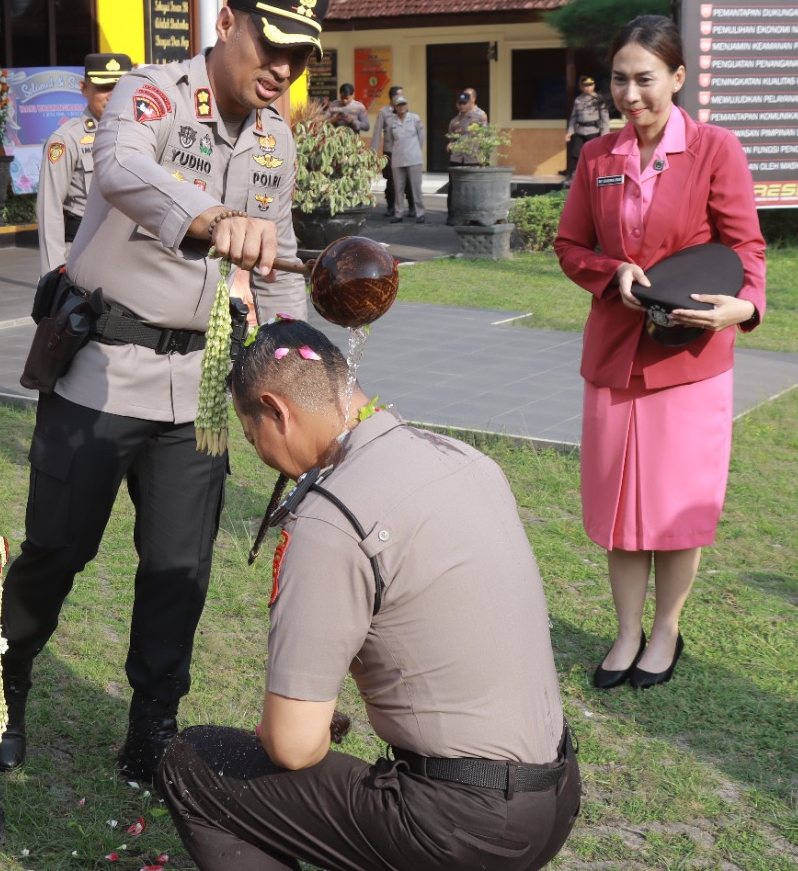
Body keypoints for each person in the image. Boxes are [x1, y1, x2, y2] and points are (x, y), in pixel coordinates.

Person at [0, 0, 323, 782]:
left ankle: (152, 724)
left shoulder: (275, 139)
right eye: (271, 44)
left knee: (180, 569)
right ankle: (3, 687)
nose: (281, 68)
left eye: (299, 56)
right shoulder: (153, 95)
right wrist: (210, 218)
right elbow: (119, 171)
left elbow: (277, 256)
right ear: (227, 22)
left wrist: (304, 368)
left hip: (199, 387)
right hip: (100, 369)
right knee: (56, 551)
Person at [157, 319, 581, 871]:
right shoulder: (465, 459)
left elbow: (293, 745)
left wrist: (293, 725)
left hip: (465, 827)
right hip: (555, 795)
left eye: (252, 435)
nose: (260, 452)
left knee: (193, 763)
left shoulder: (330, 519)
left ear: (277, 411)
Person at [553, 15, 766, 690]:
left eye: (645, 79)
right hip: (614, 355)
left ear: (677, 78)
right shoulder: (597, 157)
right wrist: (610, 270)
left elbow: (746, 246)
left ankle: (667, 629)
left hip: (688, 360)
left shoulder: (715, 150)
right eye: (620, 79)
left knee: (675, 508)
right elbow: (569, 246)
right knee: (619, 507)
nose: (631, 94)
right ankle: (625, 632)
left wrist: (745, 306)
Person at [36, 52, 133, 273]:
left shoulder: (145, 134)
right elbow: (49, 210)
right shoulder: (66, 139)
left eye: (120, 87)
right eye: (104, 87)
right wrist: (53, 274)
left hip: (132, 255)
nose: (113, 95)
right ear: (84, 88)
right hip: (85, 252)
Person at [376, 93, 427, 224]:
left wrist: (415, 149)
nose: (401, 107)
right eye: (399, 105)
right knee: (398, 187)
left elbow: (421, 137)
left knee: (416, 187)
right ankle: (399, 213)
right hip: (398, 158)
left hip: (413, 158)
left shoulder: (415, 118)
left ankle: (420, 213)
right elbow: (390, 139)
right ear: (395, 107)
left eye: (403, 104)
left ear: (407, 105)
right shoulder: (391, 122)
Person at [444, 87, 489, 223]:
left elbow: (485, 137)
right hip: (457, 158)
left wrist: (483, 156)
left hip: (473, 158)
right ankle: (452, 215)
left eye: (465, 103)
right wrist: (450, 144)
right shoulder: (454, 121)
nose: (462, 106)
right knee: (453, 187)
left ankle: (474, 216)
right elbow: (451, 138)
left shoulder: (480, 117)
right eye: (460, 103)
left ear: (470, 103)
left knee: (473, 188)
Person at [563, 75, 609, 188]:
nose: (588, 88)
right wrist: (570, 132)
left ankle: (595, 176)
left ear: (594, 85)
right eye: (585, 85)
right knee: (575, 154)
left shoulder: (599, 99)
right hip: (580, 131)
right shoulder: (578, 100)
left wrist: (605, 134)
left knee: (594, 155)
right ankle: (573, 177)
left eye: (590, 85)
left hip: (594, 131)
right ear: (581, 87)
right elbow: (573, 117)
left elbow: (605, 118)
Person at [371, 85, 405, 217]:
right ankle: (391, 206)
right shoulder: (383, 112)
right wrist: (373, 153)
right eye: (400, 95)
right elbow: (377, 131)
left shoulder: (405, 110)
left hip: (404, 151)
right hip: (389, 151)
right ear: (393, 97)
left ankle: (409, 207)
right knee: (391, 180)